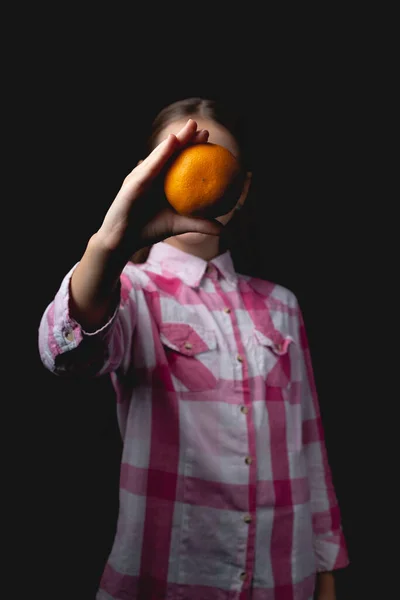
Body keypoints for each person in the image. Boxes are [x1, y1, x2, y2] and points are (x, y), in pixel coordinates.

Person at [38, 97, 349, 600]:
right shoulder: (133, 292)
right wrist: (105, 250)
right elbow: (65, 352)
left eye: (214, 158)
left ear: (241, 187)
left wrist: (328, 568)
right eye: (178, 158)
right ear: (153, 177)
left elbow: (310, 446)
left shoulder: (283, 306)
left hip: (285, 580)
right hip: (165, 583)